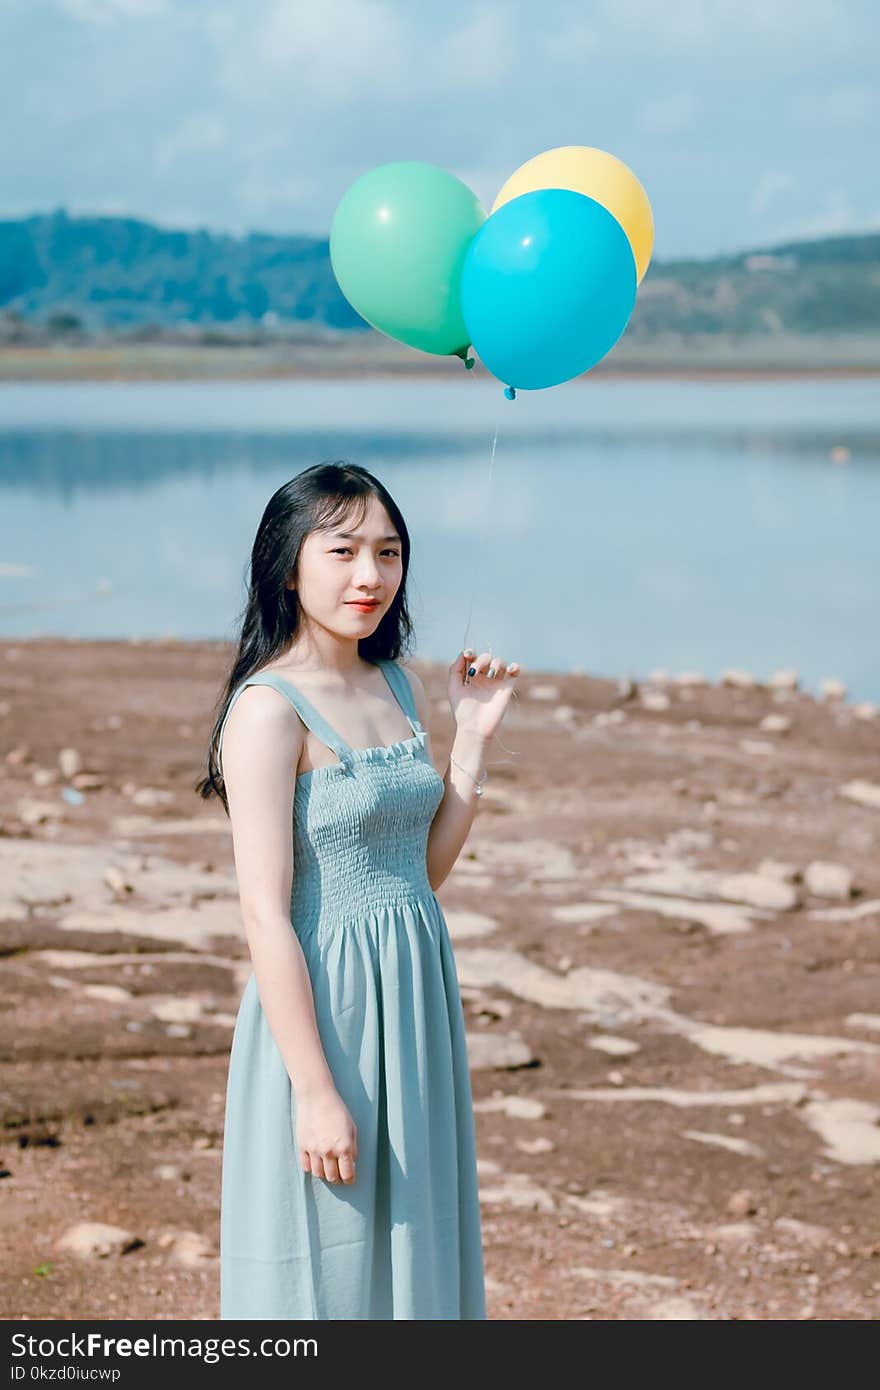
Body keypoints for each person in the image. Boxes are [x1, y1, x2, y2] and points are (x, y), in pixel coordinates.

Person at [196, 460, 521, 1320]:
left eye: (388, 552)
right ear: (288, 562)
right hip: (324, 1012)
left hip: (413, 997)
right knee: (326, 1262)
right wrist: (314, 1088)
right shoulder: (267, 712)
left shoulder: (398, 685)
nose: (369, 576)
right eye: (342, 551)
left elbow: (418, 876)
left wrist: (472, 742)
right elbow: (264, 910)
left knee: (415, 1240)